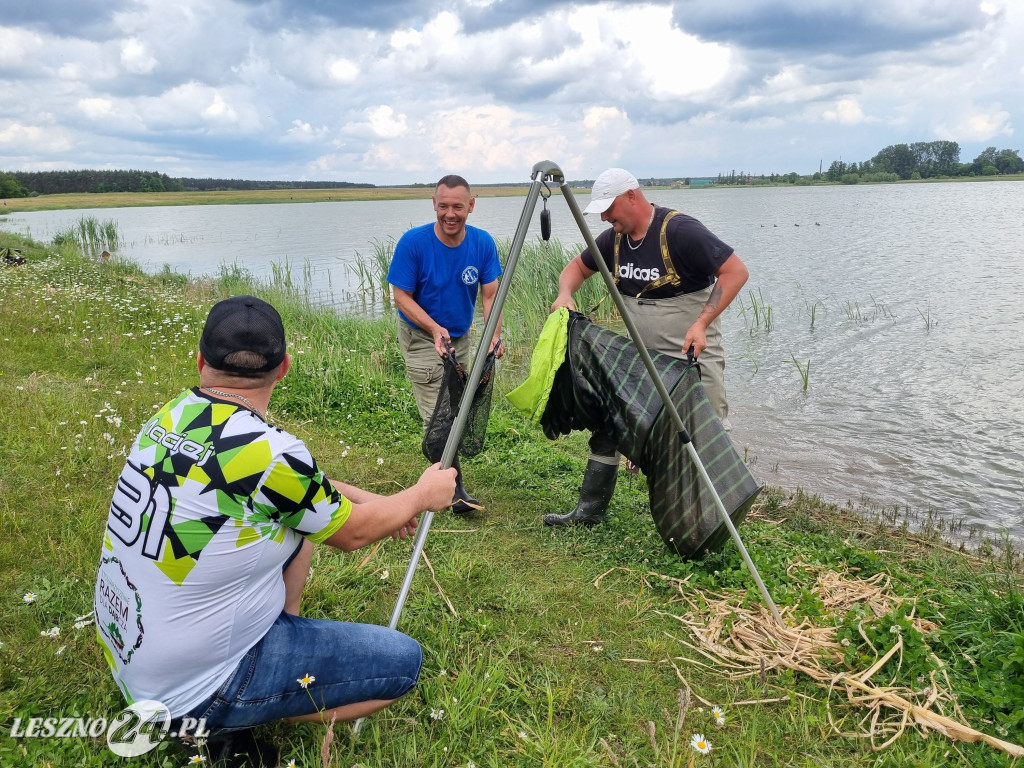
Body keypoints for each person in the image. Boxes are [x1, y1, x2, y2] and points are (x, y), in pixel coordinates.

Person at [94, 295, 456, 765]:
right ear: (284, 368)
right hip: (188, 690)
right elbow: (352, 535)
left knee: (293, 526)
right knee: (403, 664)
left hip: (130, 651)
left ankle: (277, 644)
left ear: (200, 361)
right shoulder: (272, 454)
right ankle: (230, 715)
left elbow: (295, 491)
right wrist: (422, 495)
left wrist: (380, 501)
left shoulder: (173, 414)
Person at [545, 168, 749, 527]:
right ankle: (589, 512)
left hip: (690, 356)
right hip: (642, 361)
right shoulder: (613, 240)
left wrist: (702, 323)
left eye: (609, 209)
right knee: (610, 421)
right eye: (601, 213)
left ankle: (716, 520)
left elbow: (735, 272)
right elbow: (576, 268)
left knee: (706, 431)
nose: (605, 218)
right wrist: (565, 294)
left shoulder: (680, 231)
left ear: (632, 196)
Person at [387, 174, 504, 514]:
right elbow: (401, 297)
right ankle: (455, 491)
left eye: (457, 207)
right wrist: (434, 328)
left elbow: (491, 294)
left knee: (456, 407)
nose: (450, 214)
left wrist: (494, 334)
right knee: (438, 414)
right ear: (433, 204)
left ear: (471, 205)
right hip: (421, 335)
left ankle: (446, 478)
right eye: (443, 206)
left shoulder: (482, 243)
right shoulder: (413, 243)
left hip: (460, 336)